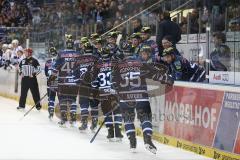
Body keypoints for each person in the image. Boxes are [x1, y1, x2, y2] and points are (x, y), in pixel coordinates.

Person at [112, 43, 173, 154]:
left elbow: (113, 83)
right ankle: (147, 139)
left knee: (128, 120)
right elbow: (156, 75)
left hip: (125, 98)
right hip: (141, 96)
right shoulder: (141, 64)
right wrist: (168, 79)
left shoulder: (118, 66)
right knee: (145, 119)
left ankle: (132, 143)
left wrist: (117, 92)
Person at [86, 46, 124, 141]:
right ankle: (118, 134)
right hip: (114, 92)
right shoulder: (115, 63)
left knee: (108, 114)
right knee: (117, 113)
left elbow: (94, 83)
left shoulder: (97, 66)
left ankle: (110, 134)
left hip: (103, 93)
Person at [49, 34, 81, 127]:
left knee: (63, 100)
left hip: (63, 82)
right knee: (73, 100)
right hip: (74, 82)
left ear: (66, 44)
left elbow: (55, 68)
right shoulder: (78, 54)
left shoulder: (61, 53)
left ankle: (64, 120)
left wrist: (52, 79)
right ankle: (73, 120)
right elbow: (80, 69)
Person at [77, 42, 100, 132]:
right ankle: (94, 122)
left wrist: (77, 81)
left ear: (84, 49)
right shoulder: (97, 58)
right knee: (94, 104)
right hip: (95, 85)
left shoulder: (79, 59)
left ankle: (84, 123)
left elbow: (75, 73)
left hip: (83, 85)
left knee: (84, 105)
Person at [45, 47, 58, 120]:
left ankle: (51, 110)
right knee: (60, 97)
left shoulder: (48, 61)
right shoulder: (60, 60)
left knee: (51, 97)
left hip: (50, 81)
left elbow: (46, 73)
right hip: (59, 81)